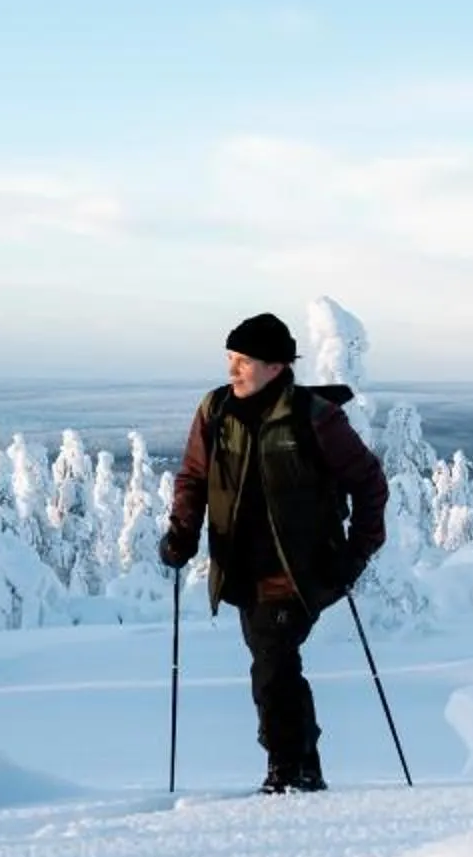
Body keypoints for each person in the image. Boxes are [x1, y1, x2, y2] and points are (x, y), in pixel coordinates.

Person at [158, 313, 389, 793]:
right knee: (275, 664)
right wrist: (182, 534)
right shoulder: (215, 410)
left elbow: (370, 483)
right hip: (242, 571)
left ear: (277, 366)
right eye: (229, 359)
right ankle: (303, 768)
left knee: (272, 663)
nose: (232, 370)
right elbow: (194, 478)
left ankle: (287, 773)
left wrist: (356, 554)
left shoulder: (315, 417)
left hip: (299, 570)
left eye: (243, 361)